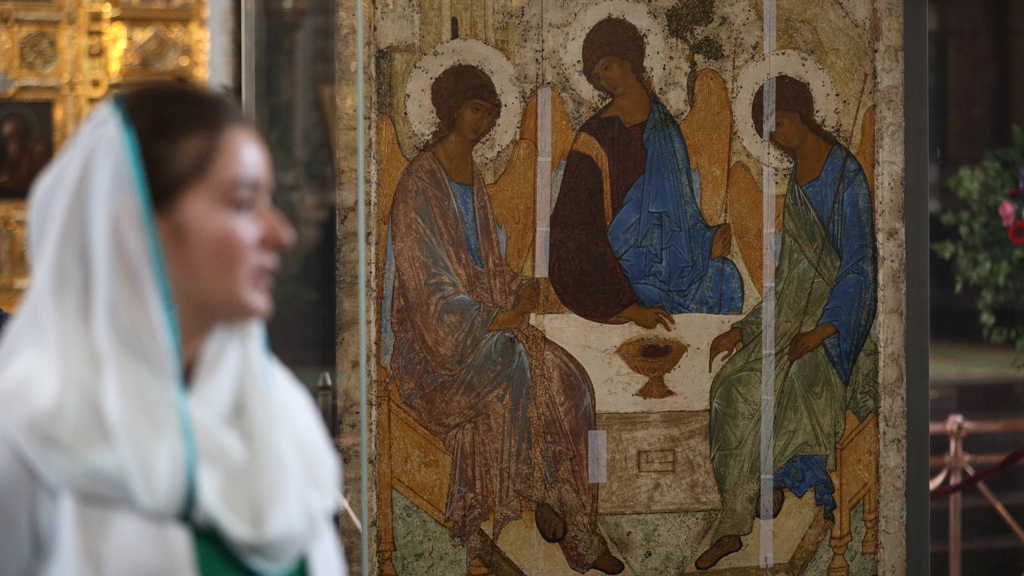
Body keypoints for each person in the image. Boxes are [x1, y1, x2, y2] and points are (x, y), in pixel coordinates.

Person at [0, 83, 346, 576]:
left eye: (270, 200)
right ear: (138, 223)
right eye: (243, 203)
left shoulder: (279, 412)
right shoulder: (32, 424)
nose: (280, 233)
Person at [387, 64, 624, 574]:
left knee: (574, 382)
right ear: (451, 110)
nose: (483, 123)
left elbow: (487, 268)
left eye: (490, 114)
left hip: (487, 327)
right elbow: (428, 292)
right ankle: (534, 495)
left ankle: (583, 525)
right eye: (475, 110)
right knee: (512, 357)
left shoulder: (472, 176)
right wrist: (497, 315)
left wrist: (523, 289)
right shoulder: (418, 184)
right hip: (435, 354)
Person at [697, 76, 879, 569]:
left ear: (798, 113)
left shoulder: (846, 175)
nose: (775, 137)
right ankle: (736, 514)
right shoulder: (798, 182)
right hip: (795, 317)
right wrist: (746, 329)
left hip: (841, 327)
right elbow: (790, 278)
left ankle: (772, 481)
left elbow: (861, 267)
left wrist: (824, 331)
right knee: (732, 387)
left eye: (776, 124)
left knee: (800, 379)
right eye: (767, 131)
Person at [549, 17, 743, 329]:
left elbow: (683, 212)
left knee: (726, 280)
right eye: (597, 77)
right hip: (619, 270)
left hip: (669, 262)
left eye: (608, 67)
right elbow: (574, 229)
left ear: (628, 59)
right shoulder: (594, 137)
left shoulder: (664, 126)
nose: (605, 81)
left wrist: (707, 242)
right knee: (649, 296)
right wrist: (625, 305)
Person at [0, 113, 49, 199]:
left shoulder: (37, 149)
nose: (13, 141)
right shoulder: (3, 149)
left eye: (16, 133)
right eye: (9, 137)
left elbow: (41, 177)